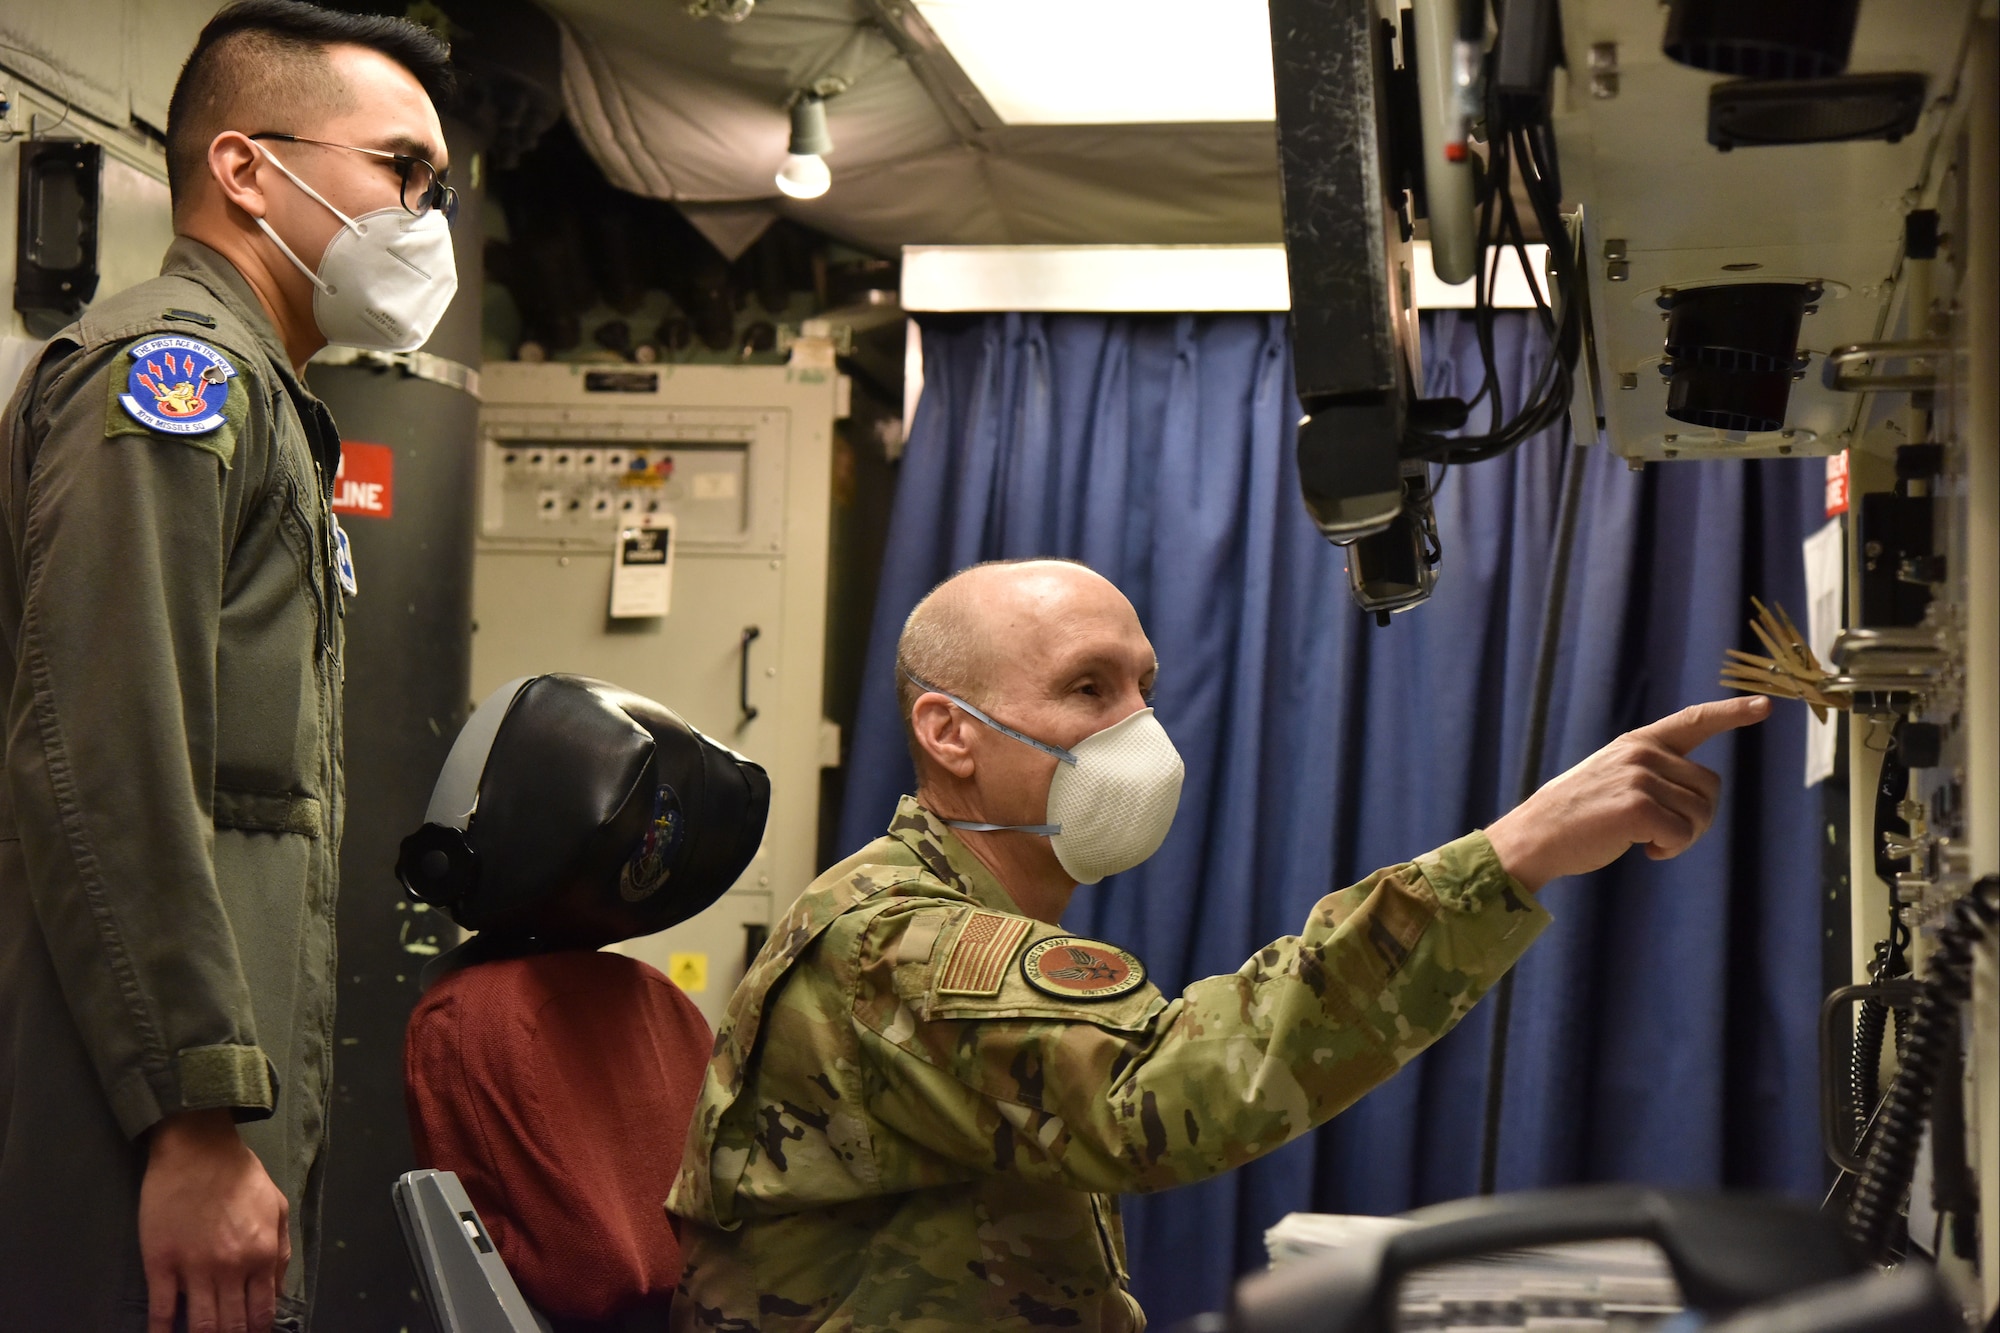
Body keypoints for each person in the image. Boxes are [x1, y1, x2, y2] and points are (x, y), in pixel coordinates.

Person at [668, 558, 1770, 1331]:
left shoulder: (958, 919)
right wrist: (1513, 851)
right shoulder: (894, 939)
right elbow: (1169, 1092)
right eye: (1087, 688)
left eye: (1144, 685)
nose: (1137, 728)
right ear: (949, 730)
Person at [0, 5, 456, 1331]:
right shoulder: (174, 380)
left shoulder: (266, 396)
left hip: (181, 1108)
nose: (426, 215)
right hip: (129, 1124)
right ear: (249, 170)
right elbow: (104, 762)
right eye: (400, 171)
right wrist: (192, 1117)